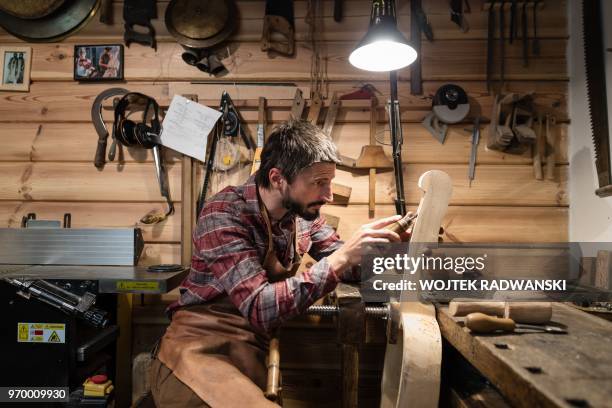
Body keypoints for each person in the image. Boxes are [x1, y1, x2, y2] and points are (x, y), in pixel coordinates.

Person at [150, 120, 401, 408]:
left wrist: (383, 249)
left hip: (249, 346)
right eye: (319, 183)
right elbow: (260, 307)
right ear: (278, 178)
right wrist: (339, 260)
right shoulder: (223, 214)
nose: (329, 195)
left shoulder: (303, 217)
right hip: (198, 345)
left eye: (329, 182)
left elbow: (350, 264)